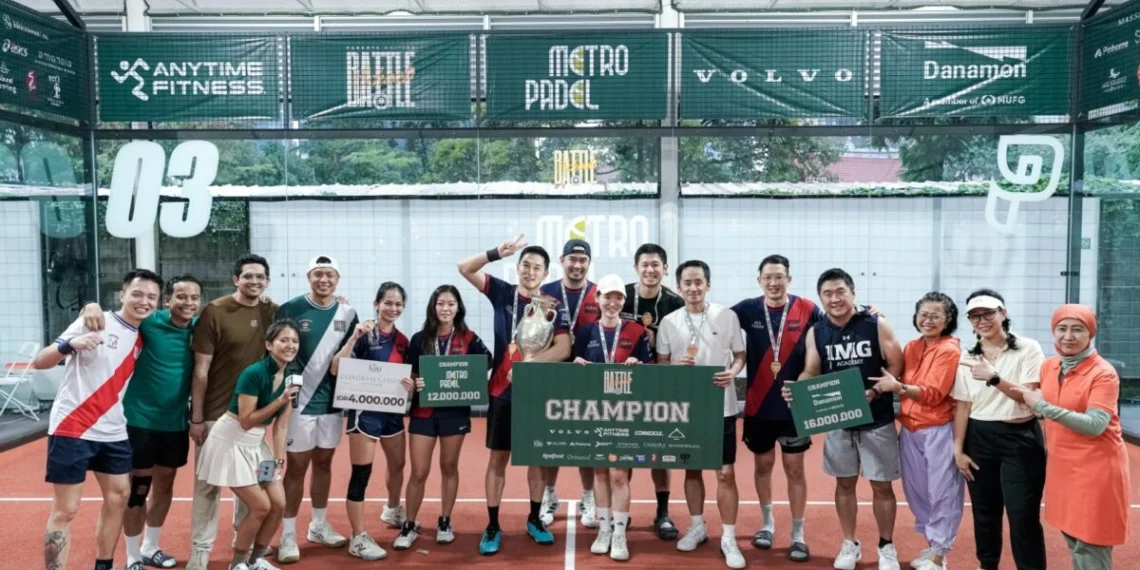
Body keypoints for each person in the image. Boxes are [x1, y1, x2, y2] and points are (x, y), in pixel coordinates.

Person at [35, 269, 162, 570]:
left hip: (114, 430)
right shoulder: (94, 320)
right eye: (137, 294)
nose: (144, 301)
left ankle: (103, 566)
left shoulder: (143, 335)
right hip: (73, 426)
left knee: (119, 498)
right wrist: (70, 345)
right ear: (122, 294)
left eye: (151, 297)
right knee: (66, 510)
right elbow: (41, 361)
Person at [457, 234, 571, 554]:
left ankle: (535, 519)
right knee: (498, 459)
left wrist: (531, 364)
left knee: (535, 459)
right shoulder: (502, 292)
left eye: (537, 267)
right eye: (525, 265)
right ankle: (492, 525)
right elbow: (464, 268)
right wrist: (496, 253)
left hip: (536, 393)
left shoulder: (552, 307)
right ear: (517, 268)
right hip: (501, 391)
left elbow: (563, 348)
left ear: (546, 274)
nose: (530, 271)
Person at [80, 275, 204, 570]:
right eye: (181, 297)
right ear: (168, 300)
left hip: (175, 423)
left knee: (165, 487)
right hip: (139, 421)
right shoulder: (149, 322)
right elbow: (115, 317)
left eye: (194, 298)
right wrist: (90, 304)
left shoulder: (202, 329)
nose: (188, 303)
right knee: (139, 488)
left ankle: (151, 546)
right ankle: (133, 556)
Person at [787, 268, 904, 570]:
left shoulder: (877, 325)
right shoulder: (817, 332)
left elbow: (896, 366)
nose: (835, 298)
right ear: (821, 298)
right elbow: (812, 369)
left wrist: (877, 391)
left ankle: (886, 545)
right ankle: (850, 543)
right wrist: (801, 389)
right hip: (839, 418)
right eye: (827, 293)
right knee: (844, 484)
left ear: (853, 293)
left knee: (881, 486)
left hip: (877, 419)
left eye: (840, 291)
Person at [1014, 305, 1129, 570]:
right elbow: (1038, 402)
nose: (1068, 336)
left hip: (1097, 469)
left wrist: (1041, 406)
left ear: (1090, 334)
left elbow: (1095, 425)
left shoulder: (1104, 373)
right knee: (1072, 537)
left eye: (1078, 329)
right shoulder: (1050, 366)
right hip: (1063, 466)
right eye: (1061, 329)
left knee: (1091, 543)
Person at [187, 254, 280, 570]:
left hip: (252, 419)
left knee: (252, 489)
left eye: (260, 277)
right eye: (248, 276)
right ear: (235, 279)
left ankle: (244, 547)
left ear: (267, 281)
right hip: (216, 416)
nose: (254, 282)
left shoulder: (271, 311)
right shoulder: (215, 311)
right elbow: (201, 369)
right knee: (207, 487)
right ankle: (201, 550)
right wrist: (197, 418)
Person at [656, 260, 747, 569]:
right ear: (679, 287)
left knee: (725, 473)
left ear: (708, 285)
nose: (693, 288)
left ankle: (729, 536)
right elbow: (662, 363)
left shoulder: (727, 316)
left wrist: (733, 372)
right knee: (691, 469)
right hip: (685, 408)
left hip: (721, 405)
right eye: (687, 283)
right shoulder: (669, 321)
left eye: (699, 282)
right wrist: (675, 368)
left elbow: (739, 355)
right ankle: (697, 525)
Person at [730, 255, 821, 562]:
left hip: (795, 406)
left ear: (789, 279)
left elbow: (832, 332)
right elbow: (714, 324)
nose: (773, 282)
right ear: (759, 281)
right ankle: (767, 523)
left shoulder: (808, 309)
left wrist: (867, 312)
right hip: (758, 406)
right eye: (768, 277)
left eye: (779, 276)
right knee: (763, 466)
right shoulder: (746, 309)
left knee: (795, 469)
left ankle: (798, 533)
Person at [950, 289, 1046, 570]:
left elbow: (1027, 396)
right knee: (985, 513)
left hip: (1021, 439)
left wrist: (993, 378)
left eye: (988, 313)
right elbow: (963, 406)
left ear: (1002, 313)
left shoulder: (1028, 348)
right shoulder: (967, 356)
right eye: (975, 316)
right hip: (979, 438)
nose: (981, 320)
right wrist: (958, 449)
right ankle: (987, 565)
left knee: (1022, 515)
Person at [869, 292, 964, 570]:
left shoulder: (950, 350)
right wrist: (875, 321)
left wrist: (898, 388)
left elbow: (934, 394)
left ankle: (939, 555)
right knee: (917, 492)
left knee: (943, 492)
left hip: (939, 430)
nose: (928, 320)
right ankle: (933, 544)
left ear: (948, 320)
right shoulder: (911, 347)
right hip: (909, 431)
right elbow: (888, 367)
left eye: (936, 315)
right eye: (923, 314)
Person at [196, 320, 300, 570]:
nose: (290, 345)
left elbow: (281, 426)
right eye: (283, 340)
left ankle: (256, 561)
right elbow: (245, 420)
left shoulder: (291, 377)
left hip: (257, 445)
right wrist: (281, 400)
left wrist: (278, 460)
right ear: (269, 344)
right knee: (260, 506)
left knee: (278, 504)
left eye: (295, 341)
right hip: (230, 441)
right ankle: (238, 563)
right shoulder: (253, 373)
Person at [275, 255, 359, 562]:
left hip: (333, 403)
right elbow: (277, 350)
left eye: (330, 275)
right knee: (296, 468)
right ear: (309, 276)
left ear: (338, 279)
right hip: (299, 403)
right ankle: (287, 534)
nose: (324, 280)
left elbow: (350, 357)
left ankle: (318, 525)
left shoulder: (348, 313)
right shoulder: (290, 309)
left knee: (324, 463)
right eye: (318, 274)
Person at [399, 285, 493, 550]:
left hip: (454, 412)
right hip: (423, 411)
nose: (445, 309)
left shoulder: (468, 337)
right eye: (441, 303)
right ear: (433, 306)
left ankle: (445, 521)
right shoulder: (420, 339)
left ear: (458, 308)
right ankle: (409, 524)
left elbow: (487, 361)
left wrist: (469, 375)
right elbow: (410, 373)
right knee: (418, 471)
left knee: (449, 466)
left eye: (451, 304)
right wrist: (414, 382)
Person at [571, 274, 652, 561]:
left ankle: (619, 534)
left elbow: (649, 368)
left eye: (618, 297)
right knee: (600, 472)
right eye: (607, 296)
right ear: (598, 299)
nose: (612, 302)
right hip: (595, 411)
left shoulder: (636, 332)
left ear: (624, 301)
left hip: (625, 413)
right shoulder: (585, 333)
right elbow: (575, 367)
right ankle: (603, 529)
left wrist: (638, 363)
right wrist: (576, 364)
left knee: (618, 473)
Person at [330, 282, 411, 560]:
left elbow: (408, 376)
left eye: (398, 304)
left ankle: (392, 508)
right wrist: (353, 338)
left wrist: (410, 384)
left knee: (398, 465)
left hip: (392, 412)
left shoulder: (403, 340)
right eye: (388, 303)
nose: (393, 308)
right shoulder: (363, 333)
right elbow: (335, 368)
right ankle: (358, 536)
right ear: (376, 304)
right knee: (361, 474)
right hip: (364, 412)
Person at [619, 242, 685, 540]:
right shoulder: (621, 297)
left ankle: (662, 511)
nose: (650, 269)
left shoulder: (675, 302)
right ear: (636, 268)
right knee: (626, 450)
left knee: (659, 451)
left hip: (660, 385)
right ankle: (622, 509)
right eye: (644, 264)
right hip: (624, 385)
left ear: (665, 268)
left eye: (656, 264)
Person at [538, 239, 601, 528]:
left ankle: (588, 496)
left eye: (583, 260)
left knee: (586, 443)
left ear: (589, 263)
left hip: (587, 379)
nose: (577, 265)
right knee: (552, 440)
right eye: (572, 259)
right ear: (562, 260)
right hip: (552, 376)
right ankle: (549, 494)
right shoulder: (546, 292)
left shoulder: (599, 294)